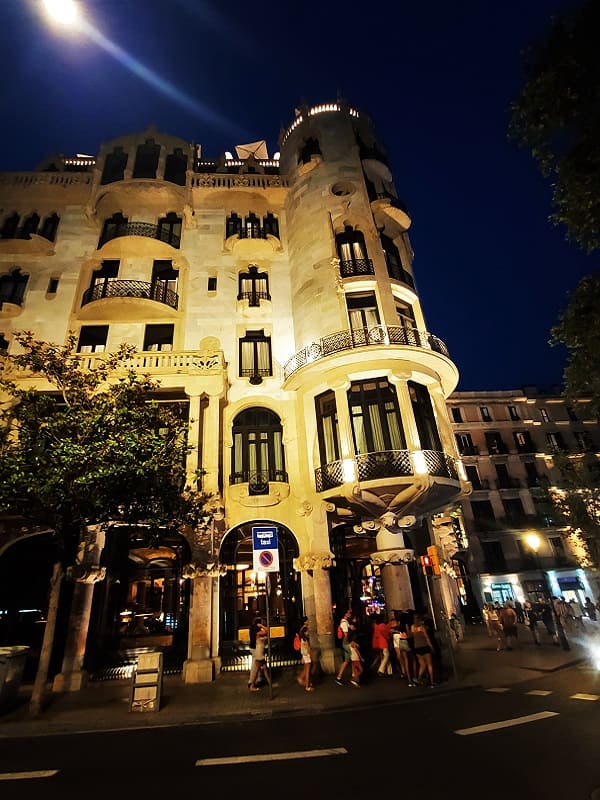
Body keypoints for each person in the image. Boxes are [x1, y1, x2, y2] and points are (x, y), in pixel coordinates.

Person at [410, 613, 435, 687]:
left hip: (417, 647)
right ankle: (432, 682)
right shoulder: (422, 627)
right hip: (425, 646)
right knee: (429, 665)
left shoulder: (412, 627)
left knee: (422, 665)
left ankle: (419, 678)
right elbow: (427, 637)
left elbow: (412, 635)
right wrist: (431, 646)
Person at [392, 610, 415, 686]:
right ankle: (414, 677)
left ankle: (409, 680)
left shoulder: (400, 625)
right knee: (413, 660)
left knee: (406, 661)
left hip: (401, 642)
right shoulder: (407, 624)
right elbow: (409, 634)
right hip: (407, 641)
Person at [248, 618, 271, 692]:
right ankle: (252, 684)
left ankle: (269, 683)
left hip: (259, 652)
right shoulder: (257, 633)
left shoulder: (254, 631)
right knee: (257, 669)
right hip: (259, 652)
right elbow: (268, 631)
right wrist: (261, 625)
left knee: (264, 669)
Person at [335, 609, 355, 685]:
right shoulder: (344, 623)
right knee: (353, 658)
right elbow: (346, 635)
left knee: (346, 661)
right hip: (346, 643)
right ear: (345, 614)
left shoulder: (345, 622)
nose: (350, 614)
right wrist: (349, 643)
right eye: (349, 613)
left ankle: (339, 677)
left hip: (345, 643)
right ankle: (354, 676)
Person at [298, 618, 315, 692]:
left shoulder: (301, 632)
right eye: (307, 620)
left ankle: (302, 680)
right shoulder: (305, 633)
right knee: (308, 670)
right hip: (306, 654)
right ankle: (307, 686)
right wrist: (311, 654)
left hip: (304, 653)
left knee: (306, 669)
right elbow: (307, 646)